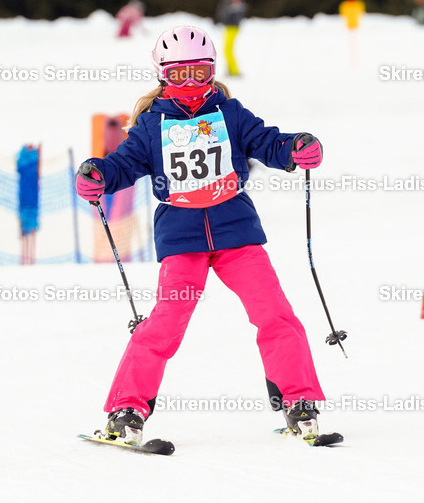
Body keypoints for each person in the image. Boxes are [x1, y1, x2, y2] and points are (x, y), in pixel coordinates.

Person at [75, 25, 327, 446]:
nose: (190, 84)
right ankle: (127, 410)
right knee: (164, 325)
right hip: (182, 238)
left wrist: (294, 147)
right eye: (178, 75)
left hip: (237, 233)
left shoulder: (230, 112)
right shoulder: (152, 125)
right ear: (161, 76)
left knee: (274, 313)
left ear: (212, 72)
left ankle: (299, 401)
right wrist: (99, 174)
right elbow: (123, 164)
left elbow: (265, 142)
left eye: (199, 72)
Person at [214, 0, 244, 76]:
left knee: (228, 49)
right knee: (227, 49)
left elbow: (235, 12)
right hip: (228, 26)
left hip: (232, 27)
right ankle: (231, 69)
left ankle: (234, 70)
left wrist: (223, 19)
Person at [16, 144, 41, 265]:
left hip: (28, 198)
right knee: (27, 229)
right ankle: (27, 259)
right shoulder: (30, 157)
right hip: (28, 198)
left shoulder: (23, 158)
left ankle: (29, 259)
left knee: (29, 229)